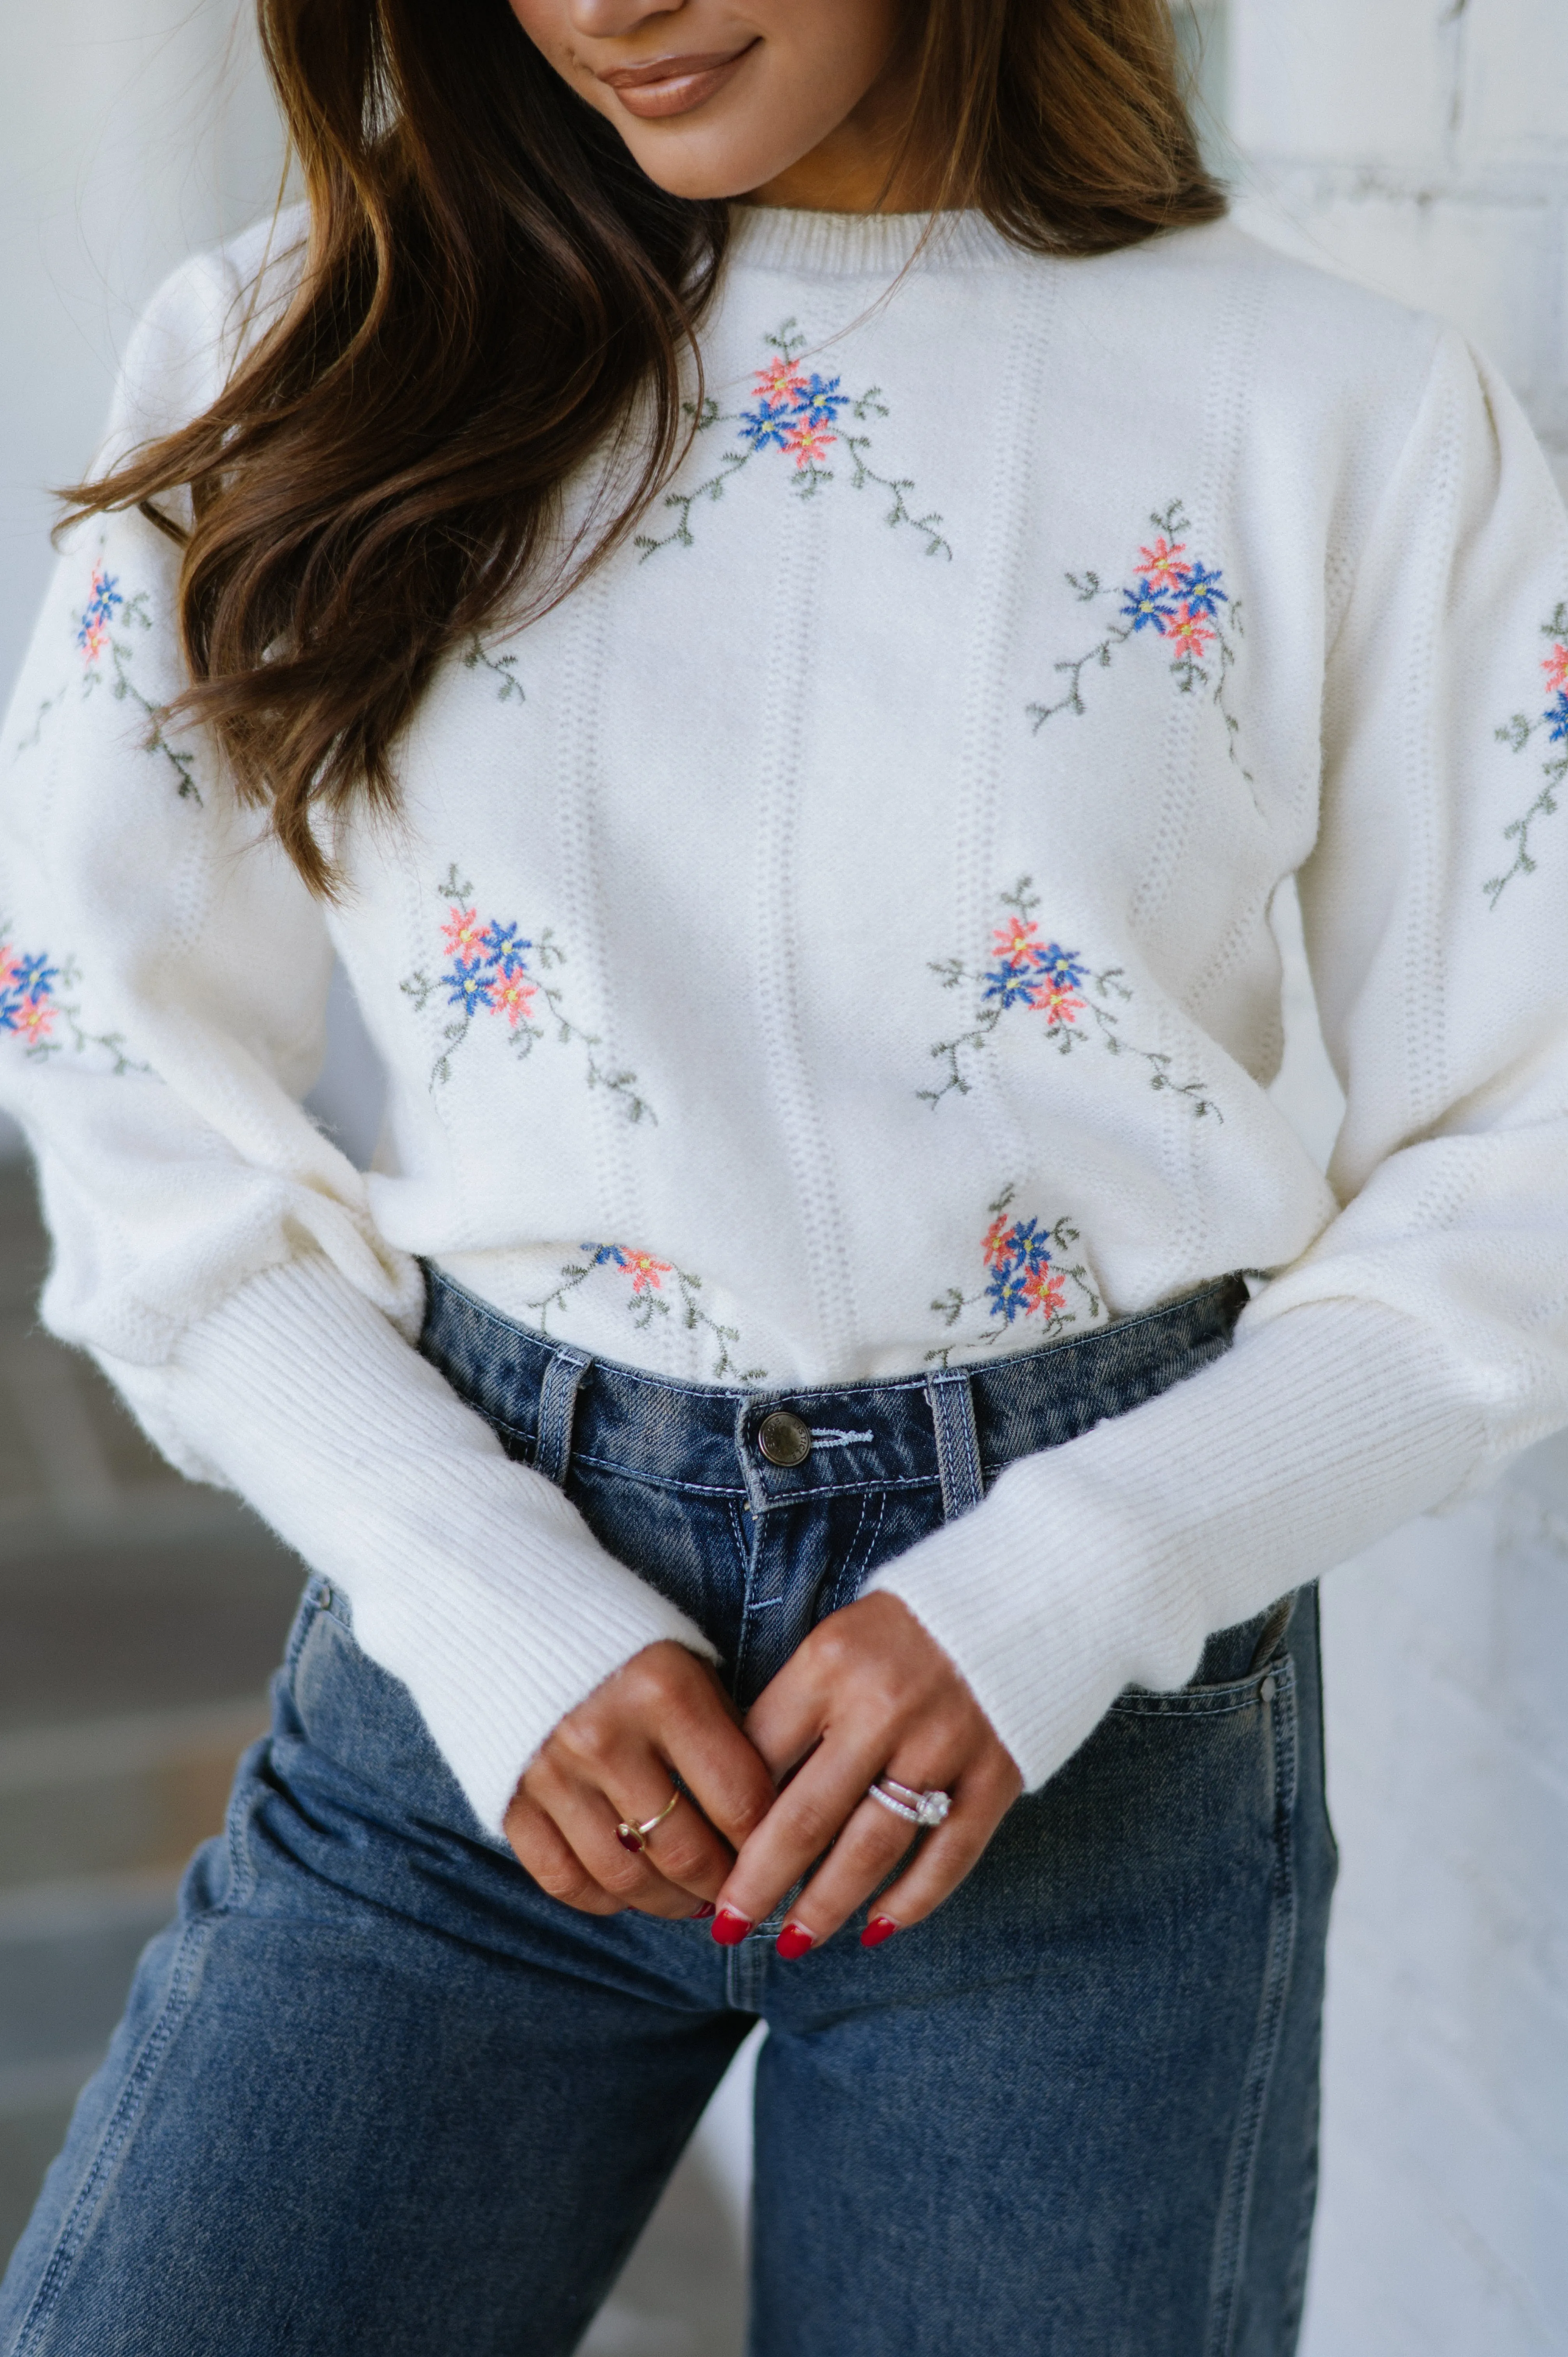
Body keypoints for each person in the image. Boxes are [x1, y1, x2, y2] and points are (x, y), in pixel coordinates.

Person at [2, 0, 1566, 2348]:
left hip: (1088, 1754)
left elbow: (1529, 1135)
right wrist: (482, 1597)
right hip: (476, 1667)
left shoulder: (1330, 408)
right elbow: (118, 1065)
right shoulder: (299, 342)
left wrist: (1072, 1583)